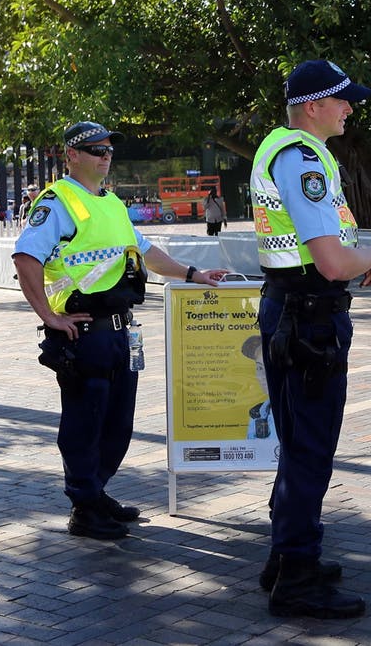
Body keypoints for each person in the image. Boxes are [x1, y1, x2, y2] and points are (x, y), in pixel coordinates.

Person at [14, 120, 226, 540]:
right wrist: (49, 318)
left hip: (120, 330)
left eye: (109, 150)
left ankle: (96, 493)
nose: (105, 156)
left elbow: (145, 252)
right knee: (85, 423)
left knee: (117, 424)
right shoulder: (58, 202)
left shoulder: (110, 203)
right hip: (84, 331)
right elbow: (25, 259)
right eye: (95, 150)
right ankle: (84, 506)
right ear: (71, 155)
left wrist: (192, 274)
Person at [251, 59, 371, 619]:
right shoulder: (301, 158)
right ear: (313, 107)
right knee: (310, 448)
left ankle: (287, 557)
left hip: (293, 311)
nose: (350, 108)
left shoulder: (285, 151)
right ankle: (298, 579)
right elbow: (331, 261)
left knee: (298, 441)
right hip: (310, 318)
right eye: (342, 99)